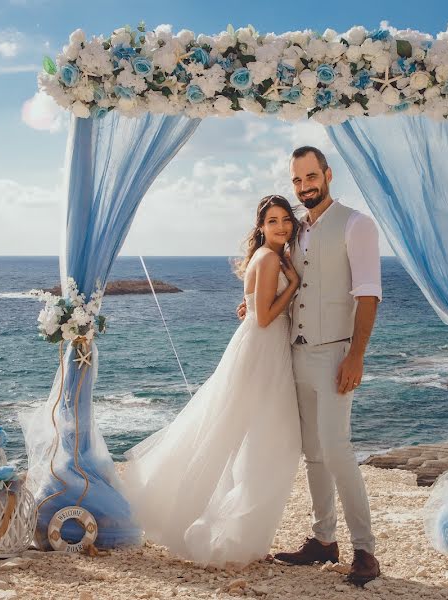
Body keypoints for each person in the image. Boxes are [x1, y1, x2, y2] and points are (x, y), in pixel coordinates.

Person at [121, 195, 302, 567]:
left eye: (286, 219)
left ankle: (234, 529)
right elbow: (266, 317)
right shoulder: (269, 258)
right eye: (273, 221)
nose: (281, 226)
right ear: (261, 227)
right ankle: (219, 528)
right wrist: (293, 286)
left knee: (240, 437)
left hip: (259, 346)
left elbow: (252, 308)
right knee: (261, 440)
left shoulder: (269, 256)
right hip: (263, 349)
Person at [250, 146, 383, 586]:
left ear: (327, 174)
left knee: (337, 450)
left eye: (311, 176)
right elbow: (283, 282)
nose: (305, 186)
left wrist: (356, 355)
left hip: (334, 354)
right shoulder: (296, 229)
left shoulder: (357, 224)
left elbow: (368, 294)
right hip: (296, 353)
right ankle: (324, 540)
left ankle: (365, 551)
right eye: (297, 180)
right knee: (314, 454)